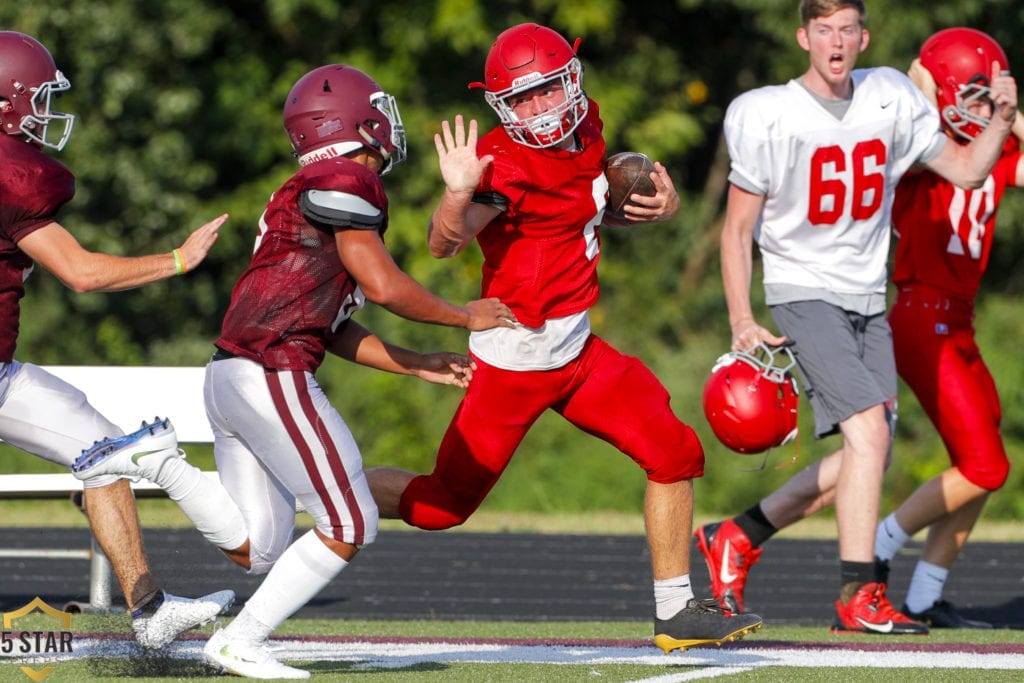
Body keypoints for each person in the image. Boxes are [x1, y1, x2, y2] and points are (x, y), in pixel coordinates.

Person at [365, 22, 764, 655]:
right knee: (441, 507)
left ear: (571, 83)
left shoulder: (590, 128)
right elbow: (444, 245)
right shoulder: (505, 163)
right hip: (514, 362)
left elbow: (583, 201)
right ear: (501, 107)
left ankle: (676, 611)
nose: (537, 110)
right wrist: (455, 193)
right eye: (520, 100)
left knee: (676, 454)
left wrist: (665, 204)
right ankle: (330, 486)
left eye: (546, 91)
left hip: (577, 353)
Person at [696, 1, 1017, 634]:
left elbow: (966, 167)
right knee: (868, 432)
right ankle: (860, 594)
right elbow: (736, 231)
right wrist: (740, 317)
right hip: (802, 287)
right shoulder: (768, 112)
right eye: (824, 30)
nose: (837, 42)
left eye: (848, 30)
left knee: (870, 452)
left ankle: (737, 534)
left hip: (868, 294)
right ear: (803, 38)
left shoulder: (890, 95)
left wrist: (1003, 120)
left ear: (864, 38)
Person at [190, 63, 514, 680]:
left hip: (232, 373)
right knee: (351, 520)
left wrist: (415, 364)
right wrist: (464, 317)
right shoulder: (348, 179)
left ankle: (161, 463)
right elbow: (385, 286)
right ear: (353, 122)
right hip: (271, 371)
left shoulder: (310, 185)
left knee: (260, 547)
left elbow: (329, 322)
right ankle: (241, 641)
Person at [0, 30, 235, 648]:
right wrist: (178, 260)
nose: (46, 114)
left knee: (105, 454)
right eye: (38, 99)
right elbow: (81, 273)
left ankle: (149, 609)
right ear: (5, 102)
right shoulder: (13, 174)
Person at [875, 27, 1024, 629]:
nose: (986, 110)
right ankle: (878, 549)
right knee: (987, 467)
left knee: (981, 461)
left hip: (957, 322)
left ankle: (922, 598)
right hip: (919, 314)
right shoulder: (919, 147)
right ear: (942, 93)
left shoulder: (992, 144)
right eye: (978, 96)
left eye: (993, 99)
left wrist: (1011, 117)